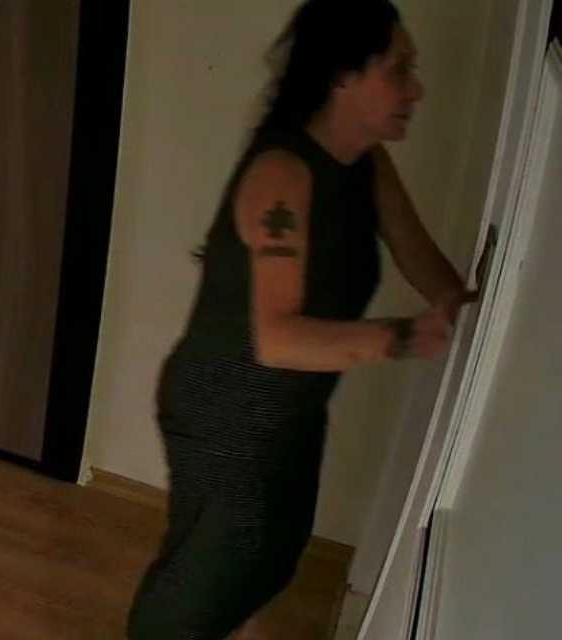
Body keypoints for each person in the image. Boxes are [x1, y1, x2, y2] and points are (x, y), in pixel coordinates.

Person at [125, 1, 475, 637]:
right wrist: (400, 337)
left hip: (292, 406)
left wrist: (482, 311)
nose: (416, 90)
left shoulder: (366, 166)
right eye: (399, 70)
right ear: (341, 75)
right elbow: (278, 338)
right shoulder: (281, 176)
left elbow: (430, 270)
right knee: (194, 596)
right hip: (226, 409)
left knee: (268, 558)